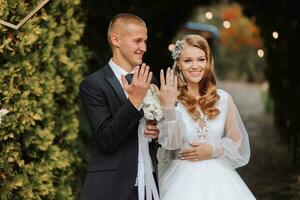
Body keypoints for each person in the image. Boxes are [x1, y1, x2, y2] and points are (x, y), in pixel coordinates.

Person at [152, 34, 256, 200]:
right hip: (181, 182)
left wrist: (213, 150)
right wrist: (168, 107)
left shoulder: (223, 99)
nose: (195, 66)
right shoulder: (171, 98)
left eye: (200, 59)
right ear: (178, 63)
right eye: (187, 61)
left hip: (221, 180)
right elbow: (171, 144)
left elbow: (239, 143)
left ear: (208, 61)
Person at [79, 13, 159, 200]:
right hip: (112, 187)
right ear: (116, 40)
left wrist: (157, 132)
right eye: (138, 41)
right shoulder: (93, 84)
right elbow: (106, 140)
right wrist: (134, 101)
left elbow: (156, 137)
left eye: (145, 41)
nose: (144, 48)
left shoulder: (150, 80)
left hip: (150, 183)